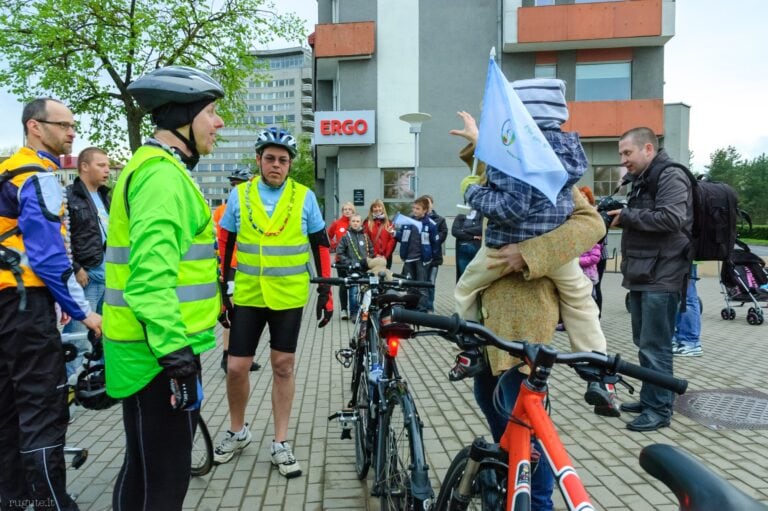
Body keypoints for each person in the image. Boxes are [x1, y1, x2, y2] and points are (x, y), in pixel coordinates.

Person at [450, 79, 618, 417]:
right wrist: (478, 143)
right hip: (493, 315)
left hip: (524, 310)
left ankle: (530, 468)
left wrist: (528, 254)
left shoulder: (539, 171)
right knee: (492, 402)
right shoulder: (548, 161)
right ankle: (596, 368)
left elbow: (592, 224)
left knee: (520, 416)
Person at [103, 66, 224, 510]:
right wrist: (177, 358)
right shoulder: (161, 178)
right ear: (182, 119)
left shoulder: (158, 169)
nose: (219, 122)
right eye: (211, 112)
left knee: (143, 474)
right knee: (162, 486)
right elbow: (149, 281)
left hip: (151, 352)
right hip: (156, 357)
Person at [214, 127, 333, 479]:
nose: (276, 165)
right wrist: (223, 291)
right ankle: (238, 431)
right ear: (258, 160)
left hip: (288, 296)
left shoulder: (304, 196)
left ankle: (280, 441)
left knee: (283, 366)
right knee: (236, 367)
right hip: (249, 295)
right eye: (270, 159)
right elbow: (226, 243)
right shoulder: (240, 195)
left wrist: (326, 293)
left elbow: (320, 244)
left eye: (283, 160)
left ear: (290, 164)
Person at [0, 98, 101, 511]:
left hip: (8, 303)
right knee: (43, 407)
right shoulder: (38, 176)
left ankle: (13, 497)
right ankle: (52, 503)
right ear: (35, 127)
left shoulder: (7, 171)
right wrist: (84, 313)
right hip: (27, 305)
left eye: (74, 125)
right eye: (63, 125)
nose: (72, 133)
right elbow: (48, 257)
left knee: (9, 409)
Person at [609, 127, 693, 432]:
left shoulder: (670, 176)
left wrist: (627, 216)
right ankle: (651, 397)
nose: (623, 159)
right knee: (643, 342)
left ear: (648, 148)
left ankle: (659, 410)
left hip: (663, 273)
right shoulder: (641, 180)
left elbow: (672, 219)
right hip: (644, 272)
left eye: (627, 153)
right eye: (621, 154)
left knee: (655, 346)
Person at [63, 146, 111, 379]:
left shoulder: (105, 197)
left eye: (108, 165)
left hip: (108, 275)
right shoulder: (69, 196)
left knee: (105, 334)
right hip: (87, 277)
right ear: (83, 166)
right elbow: (63, 237)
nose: (107, 170)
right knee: (80, 336)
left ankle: (98, 383)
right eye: (101, 165)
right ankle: (69, 391)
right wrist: (77, 267)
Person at [213, 168, 261, 373]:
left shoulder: (223, 209)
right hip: (234, 267)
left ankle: (230, 356)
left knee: (235, 312)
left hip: (235, 266)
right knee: (238, 312)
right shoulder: (235, 209)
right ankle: (231, 356)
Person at [394, 195, 441, 312]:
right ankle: (410, 305)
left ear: (425, 210)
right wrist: (394, 234)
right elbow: (402, 237)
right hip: (408, 258)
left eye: (418, 209)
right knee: (410, 284)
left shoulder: (430, 224)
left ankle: (422, 307)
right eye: (414, 208)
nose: (414, 211)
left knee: (422, 285)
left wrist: (434, 259)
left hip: (422, 259)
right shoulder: (408, 222)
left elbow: (435, 243)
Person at [335, 213, 374, 316]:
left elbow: (371, 250)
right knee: (353, 292)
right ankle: (353, 313)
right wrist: (349, 263)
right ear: (350, 222)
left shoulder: (365, 236)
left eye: (357, 221)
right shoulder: (345, 237)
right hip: (352, 270)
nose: (355, 223)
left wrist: (369, 261)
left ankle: (363, 312)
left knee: (365, 291)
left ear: (361, 223)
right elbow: (340, 252)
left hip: (364, 269)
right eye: (353, 221)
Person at [328, 202, 356, 319]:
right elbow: (328, 235)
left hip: (354, 260)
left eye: (350, 209)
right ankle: (344, 309)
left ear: (353, 211)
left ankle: (354, 311)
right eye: (345, 209)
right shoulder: (337, 223)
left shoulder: (356, 223)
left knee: (354, 285)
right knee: (343, 285)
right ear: (342, 211)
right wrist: (334, 245)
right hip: (341, 261)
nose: (347, 211)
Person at [424, 194, 447, 312]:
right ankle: (418, 304)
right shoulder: (415, 218)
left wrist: (432, 238)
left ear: (432, 204)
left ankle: (429, 305)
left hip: (434, 257)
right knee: (419, 281)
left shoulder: (440, 219)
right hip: (420, 257)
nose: (427, 205)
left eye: (428, 202)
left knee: (431, 282)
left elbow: (443, 234)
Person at [673, 264, 702, 357]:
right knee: (679, 298)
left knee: (687, 299)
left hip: (687, 256)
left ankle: (691, 343)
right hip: (676, 256)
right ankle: (678, 340)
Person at [364, 199, 397, 269]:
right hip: (372, 257)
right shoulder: (367, 223)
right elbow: (366, 240)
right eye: (375, 207)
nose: (377, 209)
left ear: (383, 208)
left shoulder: (389, 223)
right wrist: (375, 254)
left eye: (379, 206)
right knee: (373, 278)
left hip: (386, 258)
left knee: (385, 278)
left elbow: (392, 240)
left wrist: (385, 255)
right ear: (372, 209)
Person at [451, 209, 483, 280]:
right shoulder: (461, 215)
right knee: (464, 277)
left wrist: (464, 230)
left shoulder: (481, 214)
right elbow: (455, 231)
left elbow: (481, 229)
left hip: (476, 250)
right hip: (462, 249)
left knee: (475, 276)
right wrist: (472, 237)